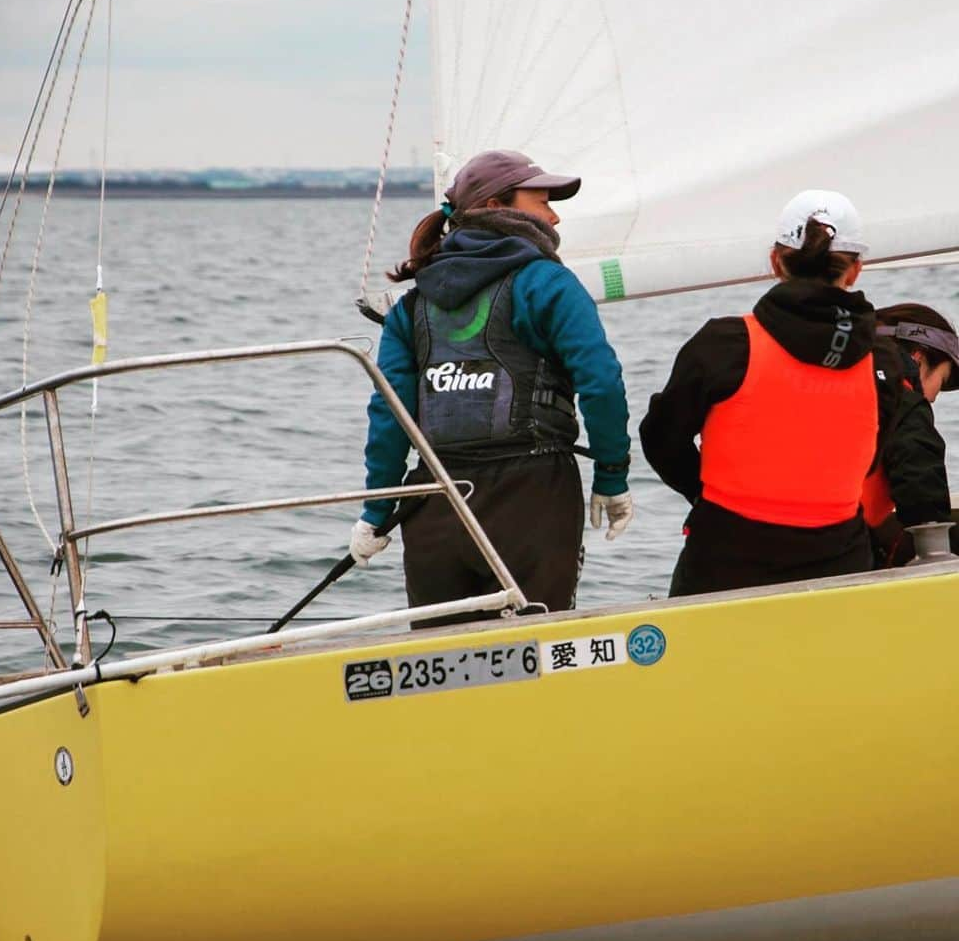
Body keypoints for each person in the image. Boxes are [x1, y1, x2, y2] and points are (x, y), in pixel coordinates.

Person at [349, 149, 632, 624]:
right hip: (533, 500)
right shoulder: (548, 284)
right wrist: (612, 476)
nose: (553, 214)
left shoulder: (410, 305)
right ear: (499, 207)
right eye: (541, 201)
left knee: (445, 668)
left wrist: (378, 510)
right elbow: (601, 383)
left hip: (437, 503)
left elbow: (390, 414)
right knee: (534, 660)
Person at [640, 189, 901, 597]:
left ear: (776, 261)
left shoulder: (725, 344)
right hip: (840, 565)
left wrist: (704, 493)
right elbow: (869, 456)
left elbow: (660, 437)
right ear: (854, 272)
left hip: (726, 560)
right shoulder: (885, 358)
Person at [862, 303, 957, 566]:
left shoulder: (826, 376)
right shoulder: (903, 401)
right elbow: (922, 495)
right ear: (917, 357)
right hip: (833, 554)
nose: (933, 399)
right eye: (943, 380)